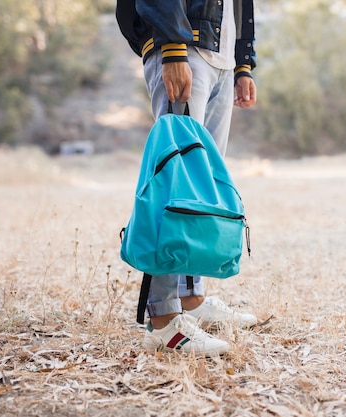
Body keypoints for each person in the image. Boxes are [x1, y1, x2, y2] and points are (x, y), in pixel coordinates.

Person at [116, 0, 258, 356]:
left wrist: (242, 63)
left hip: (220, 55)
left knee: (201, 191)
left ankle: (191, 299)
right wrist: (174, 48)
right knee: (175, 187)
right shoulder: (177, 49)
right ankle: (162, 320)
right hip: (184, 48)